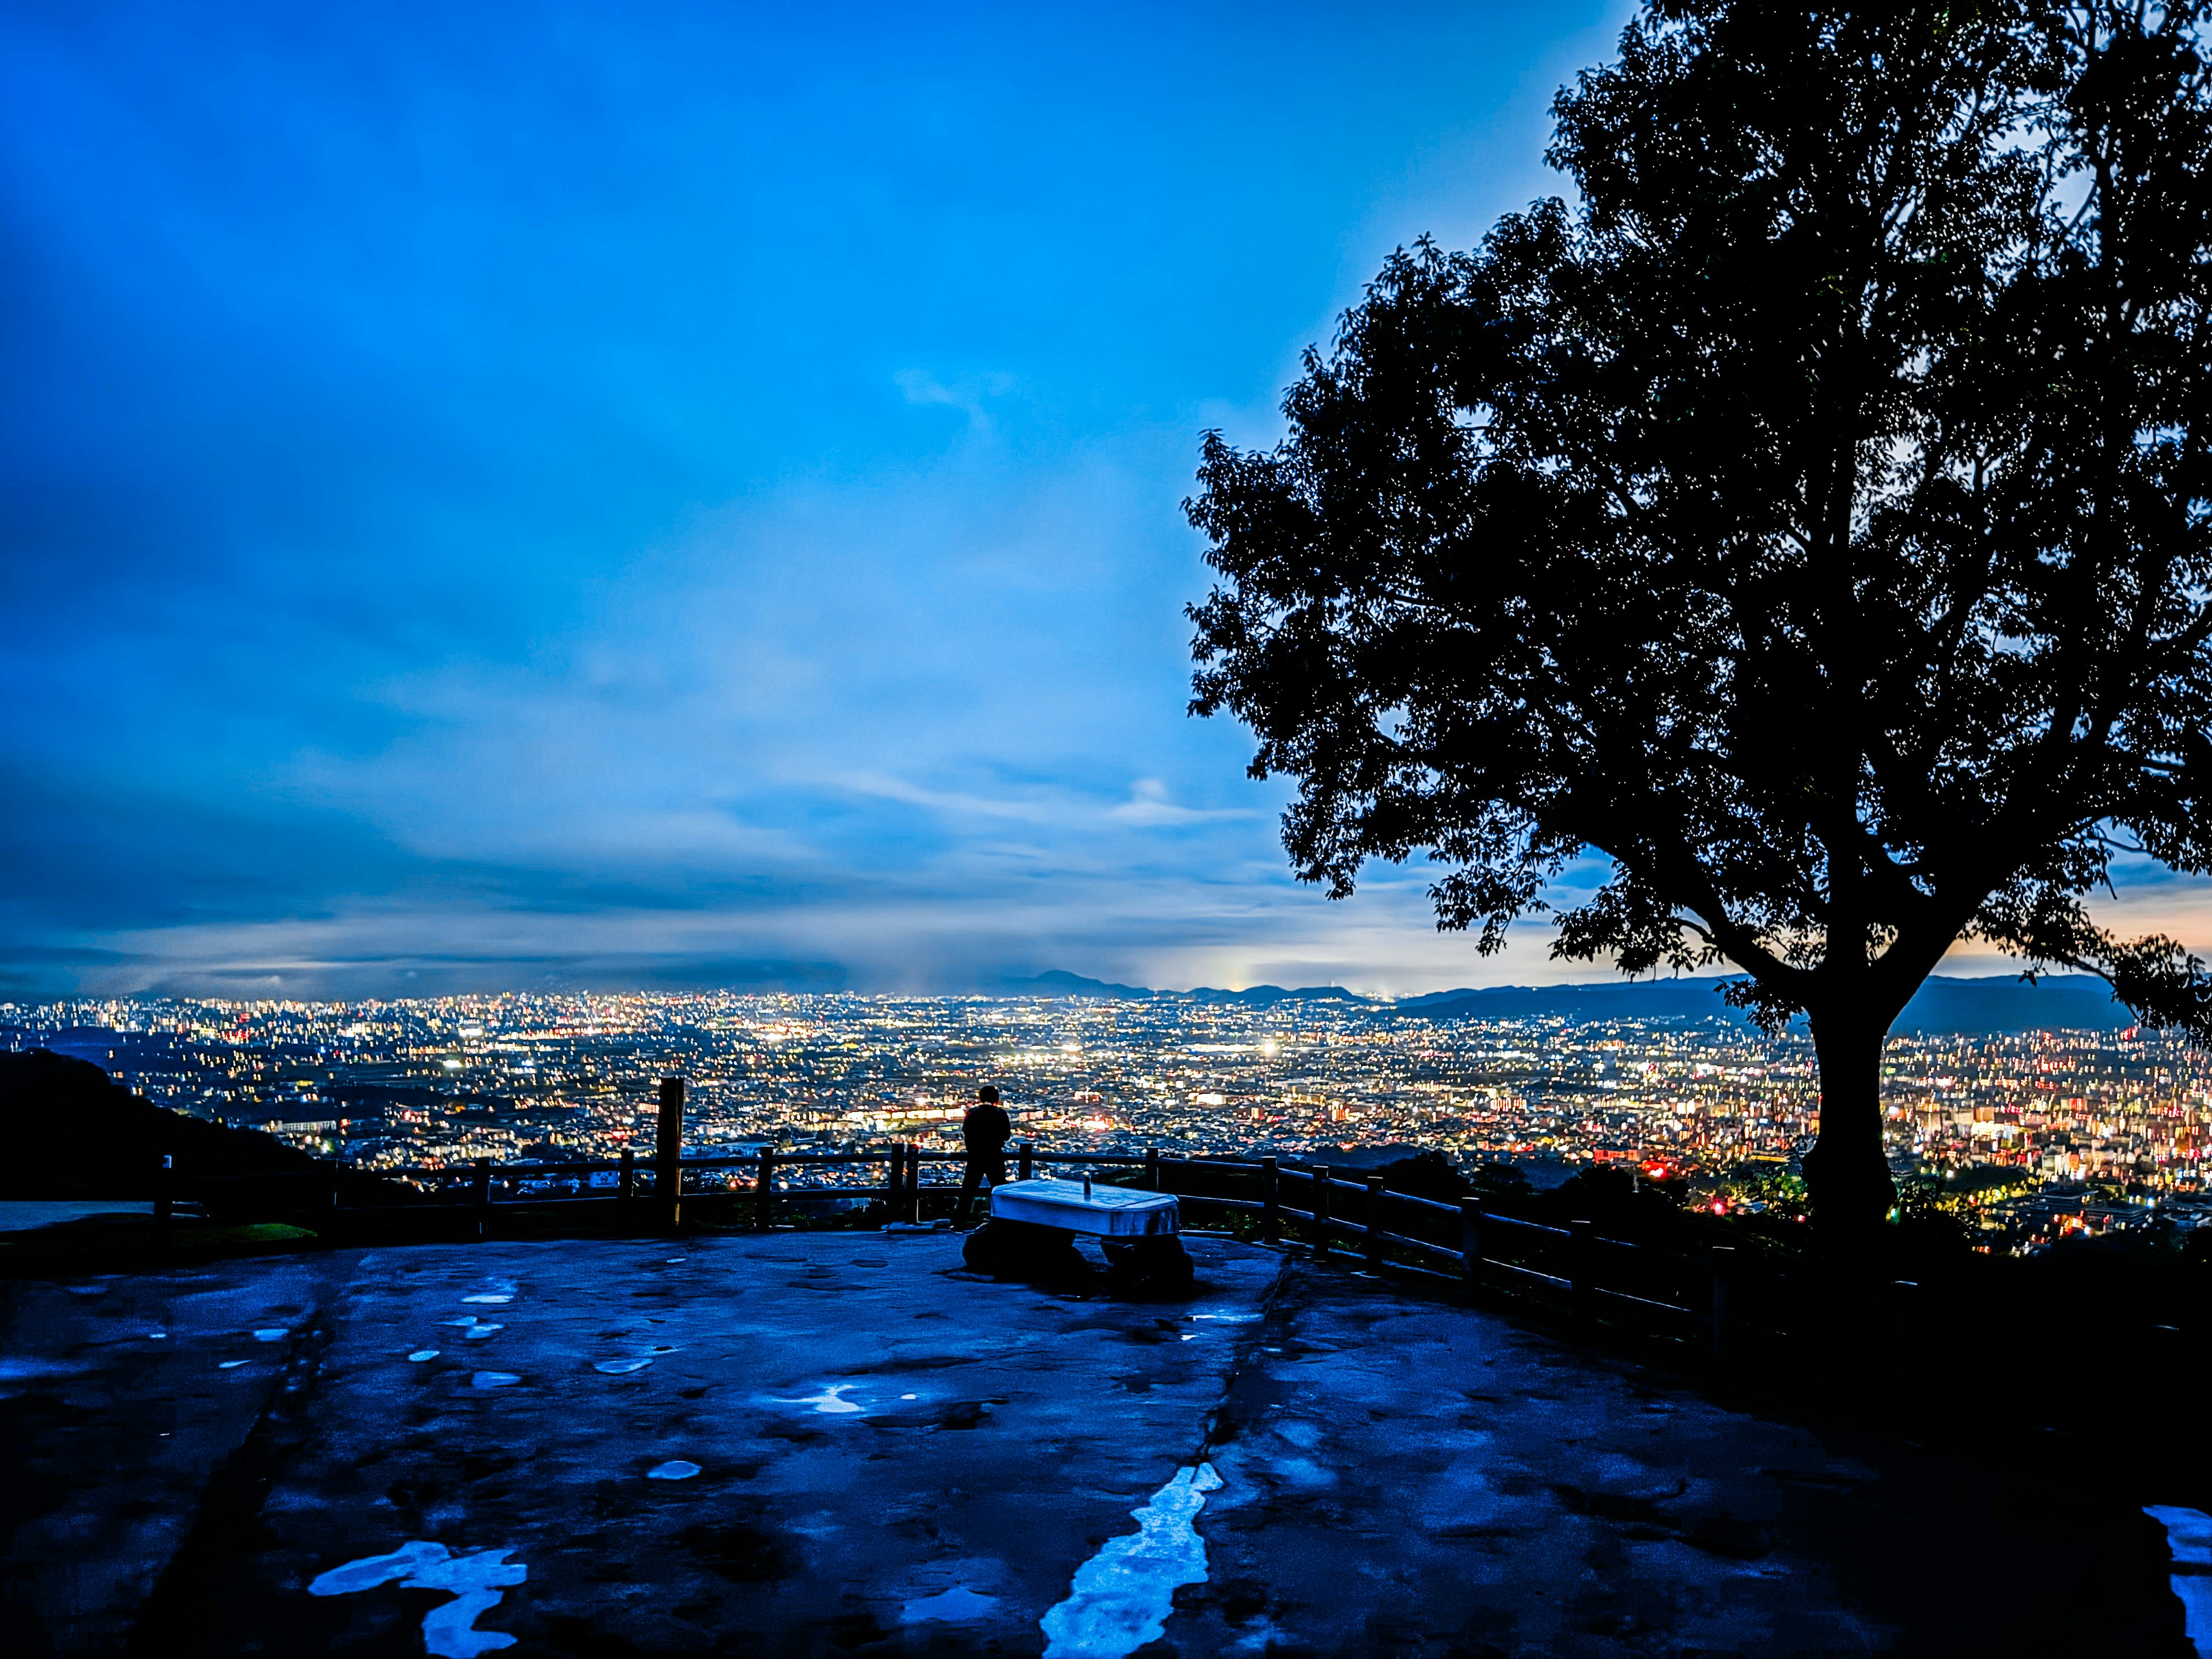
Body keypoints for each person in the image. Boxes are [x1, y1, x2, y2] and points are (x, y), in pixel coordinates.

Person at [955, 1085, 1013, 1223]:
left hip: (976, 1156)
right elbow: (1006, 1136)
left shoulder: (972, 1113)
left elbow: (967, 1133)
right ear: (996, 1099)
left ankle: (959, 1221)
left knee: (968, 1189)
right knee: (999, 1189)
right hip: (995, 1156)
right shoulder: (1000, 1113)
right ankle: (1002, 1220)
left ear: (981, 1098)